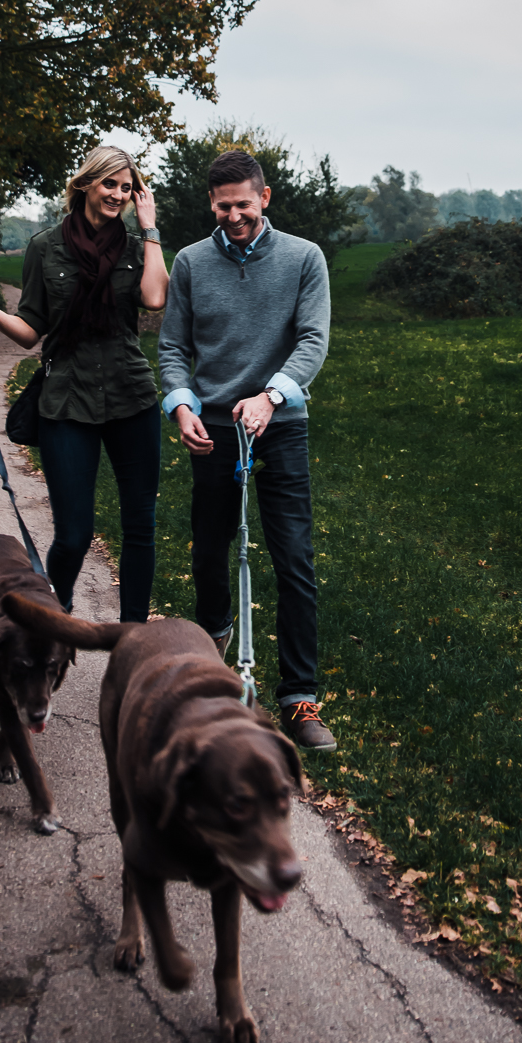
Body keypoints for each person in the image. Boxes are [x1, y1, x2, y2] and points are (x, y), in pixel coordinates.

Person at [158, 148, 336, 751]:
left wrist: (272, 397)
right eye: (221, 205)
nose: (232, 214)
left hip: (280, 421)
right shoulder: (189, 263)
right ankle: (212, 667)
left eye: (242, 203)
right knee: (209, 550)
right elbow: (173, 347)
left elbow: (313, 341)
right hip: (211, 422)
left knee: (294, 557)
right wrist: (181, 404)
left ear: (264, 197)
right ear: (211, 204)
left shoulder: (304, 258)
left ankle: (299, 697)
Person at [0, 145, 168, 622]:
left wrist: (149, 228)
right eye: (109, 183)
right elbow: (31, 330)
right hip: (66, 401)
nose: (118, 194)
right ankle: (57, 614)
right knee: (73, 533)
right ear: (85, 184)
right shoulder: (45, 247)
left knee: (140, 526)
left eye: (127, 187)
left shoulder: (135, 247)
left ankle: (131, 639)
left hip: (133, 396)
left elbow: (153, 298)